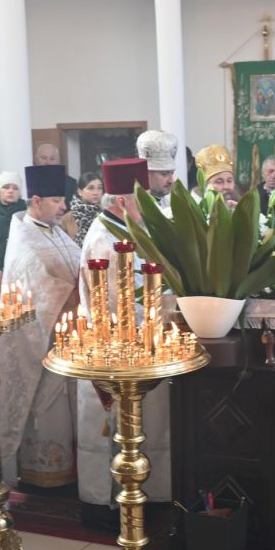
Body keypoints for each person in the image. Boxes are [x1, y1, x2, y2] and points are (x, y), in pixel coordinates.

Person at [77, 158, 171, 510]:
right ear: (121, 201)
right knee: (120, 427)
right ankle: (115, 501)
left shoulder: (123, 229)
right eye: (141, 197)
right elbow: (122, 304)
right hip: (118, 349)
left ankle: (142, 492)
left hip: (136, 342)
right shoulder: (106, 240)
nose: (148, 205)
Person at [0, 164, 81, 488]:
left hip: (68, 336)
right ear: (36, 200)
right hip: (42, 340)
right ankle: (41, 474)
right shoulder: (24, 238)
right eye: (57, 200)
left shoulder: (56, 232)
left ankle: (67, 472)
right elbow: (34, 288)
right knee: (47, 409)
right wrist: (71, 294)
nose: (63, 207)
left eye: (63, 200)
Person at [136, 129, 178, 208]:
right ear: (145, 173)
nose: (171, 181)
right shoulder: (134, 206)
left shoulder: (170, 203)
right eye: (164, 174)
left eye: (172, 173)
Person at [70, 171, 103, 247]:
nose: (96, 192)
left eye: (99, 188)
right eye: (91, 188)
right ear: (80, 192)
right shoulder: (70, 217)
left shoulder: (105, 214)